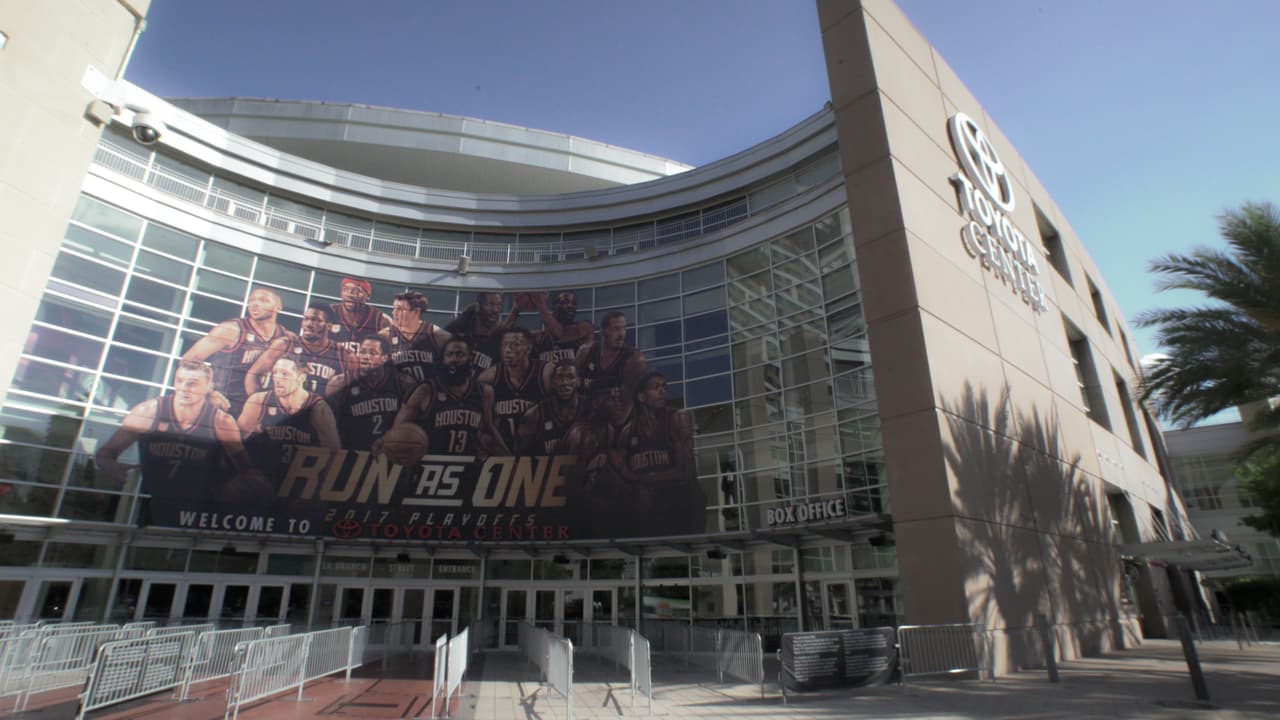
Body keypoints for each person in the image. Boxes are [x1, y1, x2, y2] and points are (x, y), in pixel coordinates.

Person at [94, 360, 259, 499]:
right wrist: (118, 474)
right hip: (146, 501)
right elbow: (105, 455)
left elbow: (246, 471)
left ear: (209, 387)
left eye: (192, 383)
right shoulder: (149, 412)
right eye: (179, 381)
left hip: (194, 506)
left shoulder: (220, 421)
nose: (184, 388)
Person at [182, 287, 292, 417]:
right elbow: (188, 360)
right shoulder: (232, 330)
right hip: (224, 406)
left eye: (263, 300)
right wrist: (208, 392)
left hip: (255, 410)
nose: (255, 304)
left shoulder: (284, 337)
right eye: (252, 300)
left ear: (278, 307)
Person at [617, 371, 703, 535]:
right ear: (641, 397)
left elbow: (687, 471)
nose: (662, 391)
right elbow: (623, 473)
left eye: (664, 387)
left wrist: (645, 479)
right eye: (655, 388)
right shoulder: (628, 431)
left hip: (676, 504)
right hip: (644, 513)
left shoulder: (678, 418)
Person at [392, 336, 493, 457]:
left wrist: (510, 458)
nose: (454, 359)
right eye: (449, 354)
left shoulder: (484, 392)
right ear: (443, 359)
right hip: (431, 465)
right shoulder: (426, 390)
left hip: (469, 465)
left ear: (470, 358)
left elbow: (489, 429)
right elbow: (397, 431)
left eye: (460, 354)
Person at [238, 356, 340, 474]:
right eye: (275, 372)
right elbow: (235, 442)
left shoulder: (316, 407)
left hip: (299, 477)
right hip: (264, 476)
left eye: (284, 374)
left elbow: (333, 452)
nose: (277, 378)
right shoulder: (259, 401)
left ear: (301, 378)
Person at [326, 335, 417, 451]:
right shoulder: (340, 383)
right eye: (362, 352)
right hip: (353, 452)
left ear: (384, 358)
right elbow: (329, 427)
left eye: (372, 353)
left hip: (390, 451)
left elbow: (410, 421)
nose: (365, 357)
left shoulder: (403, 383)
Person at [245, 304, 348, 397]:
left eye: (316, 320)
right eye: (306, 319)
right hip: (283, 411)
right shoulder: (285, 344)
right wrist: (259, 402)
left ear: (329, 326)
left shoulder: (342, 354)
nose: (308, 324)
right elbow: (252, 376)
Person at [477, 327, 545, 454]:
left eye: (515, 345)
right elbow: (484, 424)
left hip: (539, 449)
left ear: (528, 348)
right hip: (502, 449)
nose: (508, 350)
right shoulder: (488, 377)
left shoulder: (545, 373)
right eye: (504, 345)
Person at [518, 360, 589, 456]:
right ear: (552, 383)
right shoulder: (535, 415)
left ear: (578, 381)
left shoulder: (590, 409)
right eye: (560, 377)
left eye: (570, 377)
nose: (564, 382)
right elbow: (522, 457)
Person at [380, 290, 450, 384]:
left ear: (416, 311)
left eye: (400, 309)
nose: (394, 313)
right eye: (394, 309)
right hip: (396, 394)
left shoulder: (434, 334)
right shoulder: (385, 335)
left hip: (427, 393)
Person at [575, 310, 647, 401]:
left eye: (624, 328)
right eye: (616, 329)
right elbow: (573, 382)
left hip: (617, 411)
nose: (622, 334)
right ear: (602, 332)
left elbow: (629, 400)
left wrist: (591, 384)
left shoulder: (634, 359)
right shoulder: (586, 351)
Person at [445, 291, 512, 372]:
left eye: (499, 305)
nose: (495, 310)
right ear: (478, 306)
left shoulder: (500, 340)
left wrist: (515, 311)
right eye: (490, 304)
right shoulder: (457, 332)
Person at [522, 290, 594, 364]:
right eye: (564, 302)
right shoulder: (541, 337)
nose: (570, 306)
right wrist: (516, 309)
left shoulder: (584, 327)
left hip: (574, 374)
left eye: (574, 303)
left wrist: (539, 302)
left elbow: (560, 334)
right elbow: (511, 336)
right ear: (554, 308)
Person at [326, 277, 392, 354]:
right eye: (345, 289)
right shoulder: (328, 312)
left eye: (356, 290)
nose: (350, 294)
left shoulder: (381, 320)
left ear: (367, 295)